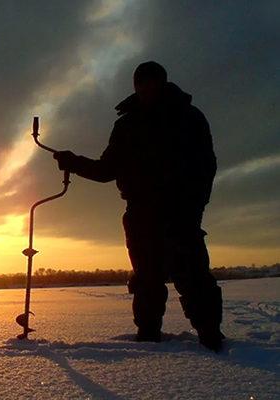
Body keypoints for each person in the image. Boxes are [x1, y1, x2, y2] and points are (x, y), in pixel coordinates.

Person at [54, 61, 224, 351]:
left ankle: (211, 336)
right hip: (141, 215)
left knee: (194, 276)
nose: (146, 89)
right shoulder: (127, 124)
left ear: (163, 82)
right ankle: (148, 340)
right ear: (136, 86)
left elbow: (206, 167)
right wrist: (73, 162)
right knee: (146, 280)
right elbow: (107, 170)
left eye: (151, 83)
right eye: (141, 84)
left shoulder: (189, 118)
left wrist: (194, 207)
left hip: (180, 213)